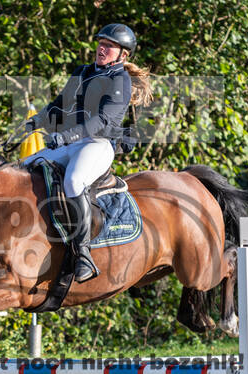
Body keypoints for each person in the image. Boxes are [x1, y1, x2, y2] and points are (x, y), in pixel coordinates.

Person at [24, 23, 152, 283]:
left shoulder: (120, 80)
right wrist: (31, 125)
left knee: (73, 180)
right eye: (101, 43)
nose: (102, 48)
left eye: (109, 46)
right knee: (23, 168)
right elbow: (57, 107)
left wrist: (66, 136)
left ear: (123, 55)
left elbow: (103, 121)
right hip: (70, 143)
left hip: (98, 145)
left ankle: (82, 254)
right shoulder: (81, 72)